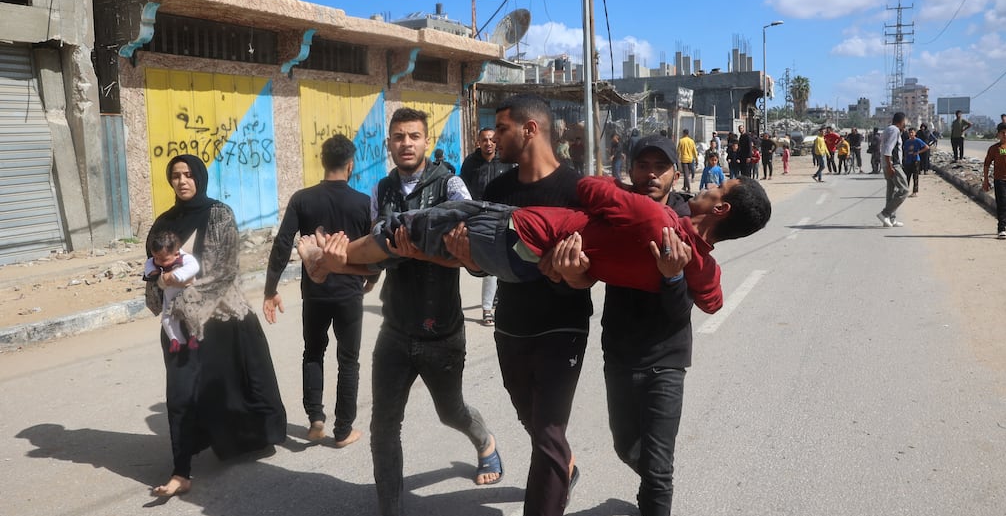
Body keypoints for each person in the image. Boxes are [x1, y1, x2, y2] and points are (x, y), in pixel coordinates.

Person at [553, 139, 770, 516]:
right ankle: (653, 487)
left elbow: (695, 303)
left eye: (661, 166)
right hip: (619, 350)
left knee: (658, 465)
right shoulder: (625, 207)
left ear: (675, 173)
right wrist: (573, 273)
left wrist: (673, 276)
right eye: (642, 164)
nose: (650, 173)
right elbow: (590, 263)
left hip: (666, 360)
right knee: (623, 447)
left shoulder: (687, 234)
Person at [346, 107, 502, 516]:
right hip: (396, 327)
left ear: (427, 140)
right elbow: (377, 250)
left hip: (442, 330)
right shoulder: (382, 189)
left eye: (414, 136)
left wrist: (424, 252)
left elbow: (471, 255)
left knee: (449, 411)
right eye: (398, 137)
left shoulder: (451, 185)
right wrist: (355, 269)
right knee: (382, 425)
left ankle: (484, 441)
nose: (406, 143)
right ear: (388, 144)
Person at [306, 160, 769, 300]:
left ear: (722, 207)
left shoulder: (656, 219)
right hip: (522, 264)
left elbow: (588, 188)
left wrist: (623, 188)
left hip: (516, 232)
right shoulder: (693, 265)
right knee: (429, 249)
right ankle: (337, 261)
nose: (708, 185)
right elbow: (712, 300)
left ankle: (331, 260)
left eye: (718, 186)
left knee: (410, 229)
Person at [469, 94, 594, 516]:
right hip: (512, 324)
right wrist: (468, 256)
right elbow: (484, 259)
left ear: (531, 130)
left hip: (563, 325)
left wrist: (577, 271)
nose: (492, 137)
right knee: (530, 419)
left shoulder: (577, 188)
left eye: (501, 128)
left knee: (546, 429)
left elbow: (595, 267)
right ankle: (566, 463)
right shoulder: (497, 187)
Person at [145, 154, 287, 497]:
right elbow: (152, 267)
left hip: (222, 318)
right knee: (180, 395)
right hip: (179, 325)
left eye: (189, 174)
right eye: (176, 175)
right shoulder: (164, 223)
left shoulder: (220, 213)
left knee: (229, 388)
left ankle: (241, 441)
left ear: (200, 178)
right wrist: (160, 287)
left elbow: (225, 270)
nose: (182, 181)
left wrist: (182, 291)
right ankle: (181, 471)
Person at [262, 135, 371, 446]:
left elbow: (283, 243)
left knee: (313, 352)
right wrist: (372, 280)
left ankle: (316, 420)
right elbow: (373, 253)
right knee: (348, 359)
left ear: (323, 163)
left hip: (315, 292)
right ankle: (344, 430)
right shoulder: (363, 203)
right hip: (350, 291)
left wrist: (271, 289)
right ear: (351, 165)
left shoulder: (302, 199)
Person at [460, 127, 515, 326]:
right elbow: (462, 190)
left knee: (505, 260)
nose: (489, 143)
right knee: (491, 265)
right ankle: (486, 309)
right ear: (478, 142)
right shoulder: (470, 164)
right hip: (479, 218)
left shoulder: (507, 162)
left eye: (492, 140)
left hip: (504, 217)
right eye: (485, 140)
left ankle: (496, 299)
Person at [144, 230, 200, 353]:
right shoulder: (156, 260)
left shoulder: (185, 259)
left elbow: (194, 267)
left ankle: (193, 336)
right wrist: (152, 271)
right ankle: (175, 339)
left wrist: (176, 275)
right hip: (169, 293)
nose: (159, 262)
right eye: (157, 258)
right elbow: (149, 265)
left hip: (187, 293)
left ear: (176, 254)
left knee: (191, 315)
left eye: (164, 259)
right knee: (167, 318)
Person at [877, 112, 910, 227]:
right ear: (901, 121)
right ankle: (884, 213)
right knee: (904, 190)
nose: (905, 124)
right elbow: (888, 149)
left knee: (892, 193)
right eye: (905, 122)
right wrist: (890, 166)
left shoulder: (890, 129)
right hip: (893, 165)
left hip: (889, 164)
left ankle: (891, 219)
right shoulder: (894, 130)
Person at [901, 128, 929, 197]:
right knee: (907, 177)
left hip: (916, 160)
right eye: (909, 133)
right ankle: (906, 191)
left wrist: (918, 152)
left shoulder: (918, 141)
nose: (911, 134)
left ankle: (914, 192)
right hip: (908, 161)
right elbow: (905, 151)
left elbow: (926, 147)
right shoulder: (907, 142)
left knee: (915, 176)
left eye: (912, 133)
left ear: (915, 133)